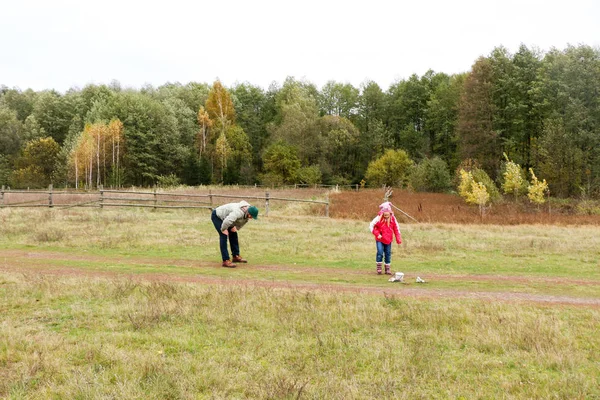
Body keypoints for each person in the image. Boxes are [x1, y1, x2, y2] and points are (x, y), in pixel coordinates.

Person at [211, 200, 259, 268]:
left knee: (233, 233)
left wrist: (236, 228)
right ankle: (225, 260)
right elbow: (228, 220)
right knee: (224, 235)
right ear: (248, 212)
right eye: (251, 216)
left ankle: (235, 256)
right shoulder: (238, 212)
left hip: (227, 218)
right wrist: (223, 229)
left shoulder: (247, 212)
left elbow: (244, 221)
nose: (251, 218)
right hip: (218, 216)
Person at [369, 202, 402, 275]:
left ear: (390, 213)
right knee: (380, 252)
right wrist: (377, 234)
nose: (386, 216)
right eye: (385, 215)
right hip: (379, 239)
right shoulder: (378, 218)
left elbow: (396, 229)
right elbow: (371, 226)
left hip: (388, 239)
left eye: (388, 215)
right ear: (382, 213)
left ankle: (387, 269)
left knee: (388, 253)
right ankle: (379, 268)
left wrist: (398, 238)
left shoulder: (393, 219)